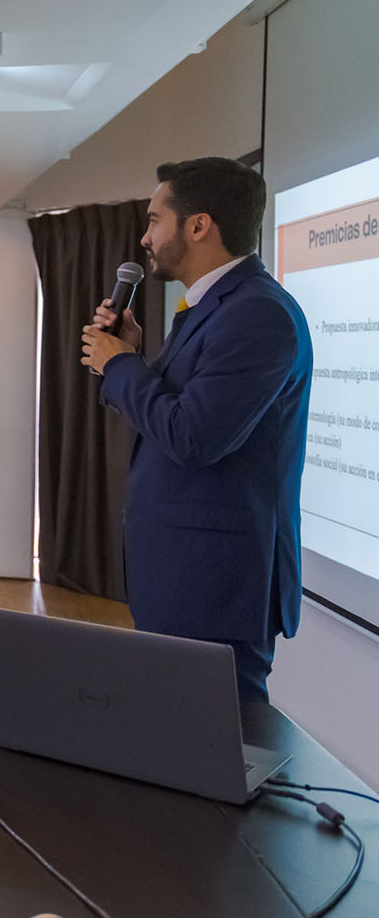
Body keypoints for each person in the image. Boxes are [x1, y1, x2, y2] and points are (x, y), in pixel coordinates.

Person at [80, 157, 311, 702]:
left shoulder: (258, 314)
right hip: (186, 578)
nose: (145, 237)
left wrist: (121, 366)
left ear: (199, 225)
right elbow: (176, 415)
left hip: (215, 588)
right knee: (170, 737)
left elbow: (194, 437)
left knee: (218, 744)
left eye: (154, 220)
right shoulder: (213, 308)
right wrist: (127, 357)